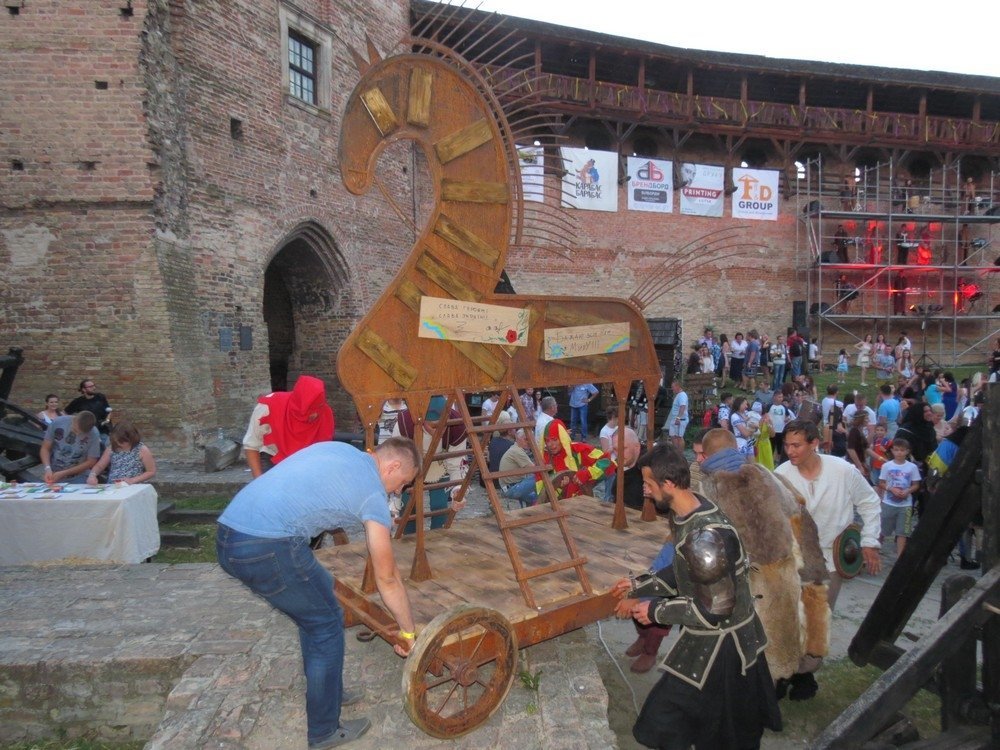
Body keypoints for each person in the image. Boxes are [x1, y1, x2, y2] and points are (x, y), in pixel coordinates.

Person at [216, 437, 420, 749]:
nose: (397, 491)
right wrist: (408, 632)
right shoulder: (372, 494)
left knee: (323, 597)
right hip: (265, 545)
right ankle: (324, 731)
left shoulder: (340, 450)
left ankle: (328, 690)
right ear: (392, 466)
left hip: (229, 532)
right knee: (324, 625)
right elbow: (388, 577)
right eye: (402, 482)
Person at [614, 443, 781, 749]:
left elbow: (713, 610)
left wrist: (654, 612)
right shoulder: (691, 510)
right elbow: (681, 571)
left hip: (726, 648)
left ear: (668, 484)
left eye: (649, 484)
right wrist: (638, 586)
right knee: (682, 725)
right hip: (712, 639)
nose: (645, 491)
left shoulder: (704, 538)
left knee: (719, 733)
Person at [775, 420, 881, 608]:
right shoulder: (780, 475)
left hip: (831, 558)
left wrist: (869, 540)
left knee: (821, 616)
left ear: (814, 443)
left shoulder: (842, 470)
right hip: (795, 558)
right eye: (786, 445)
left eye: (796, 445)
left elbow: (869, 502)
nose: (789, 451)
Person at [393, 396, 468, 532]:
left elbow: (457, 463)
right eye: (433, 425)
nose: (438, 430)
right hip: (411, 466)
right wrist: (395, 497)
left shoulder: (457, 425)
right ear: (422, 420)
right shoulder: (404, 423)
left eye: (442, 424)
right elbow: (397, 461)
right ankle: (409, 541)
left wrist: (458, 489)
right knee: (409, 509)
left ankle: (439, 541)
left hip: (441, 464)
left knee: (440, 507)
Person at [243, 375, 335, 478]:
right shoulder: (268, 407)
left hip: (309, 464)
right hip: (273, 460)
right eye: (308, 410)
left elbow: (323, 451)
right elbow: (251, 445)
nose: (314, 415)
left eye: (317, 408)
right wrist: (259, 481)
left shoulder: (325, 413)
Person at [540, 419, 614, 499]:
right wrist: (560, 486)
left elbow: (606, 461)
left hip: (581, 501)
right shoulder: (545, 459)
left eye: (555, 439)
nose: (551, 444)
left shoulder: (578, 449)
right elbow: (542, 493)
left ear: (562, 437)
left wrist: (588, 473)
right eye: (547, 441)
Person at [877, 437, 921, 557]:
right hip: (889, 502)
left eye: (902, 450)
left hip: (905, 504)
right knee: (882, 529)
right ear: (892, 451)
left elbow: (916, 484)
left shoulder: (912, 467)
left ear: (907, 451)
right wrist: (891, 489)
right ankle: (875, 550)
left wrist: (908, 490)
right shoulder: (887, 466)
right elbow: (881, 482)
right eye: (896, 450)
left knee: (903, 532)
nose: (899, 453)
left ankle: (900, 556)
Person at [39, 411, 102, 484]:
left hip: (79, 477)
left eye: (81, 433)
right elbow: (45, 448)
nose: (77, 434)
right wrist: (47, 468)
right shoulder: (58, 422)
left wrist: (64, 473)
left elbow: (91, 461)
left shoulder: (94, 433)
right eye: (75, 430)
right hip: (54, 474)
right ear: (74, 420)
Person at [86, 421, 156, 486]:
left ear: (131, 438)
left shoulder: (141, 449)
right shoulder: (111, 448)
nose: (119, 444)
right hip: (113, 486)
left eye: (122, 441)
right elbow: (100, 466)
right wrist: (92, 475)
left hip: (133, 487)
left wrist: (133, 480)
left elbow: (151, 471)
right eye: (117, 441)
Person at [498, 428, 538, 508]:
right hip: (512, 488)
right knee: (539, 477)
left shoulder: (515, 449)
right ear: (518, 439)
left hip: (509, 486)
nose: (529, 442)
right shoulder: (517, 452)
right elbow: (536, 470)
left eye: (531, 440)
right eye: (526, 439)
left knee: (535, 496)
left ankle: (531, 512)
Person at [664, 380, 688, 451]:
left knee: (679, 437)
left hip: (680, 419)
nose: (672, 389)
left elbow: (682, 406)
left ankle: (680, 454)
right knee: (673, 436)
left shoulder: (682, 395)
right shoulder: (678, 395)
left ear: (678, 386)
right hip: (675, 419)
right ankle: (676, 452)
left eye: (673, 387)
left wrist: (678, 418)